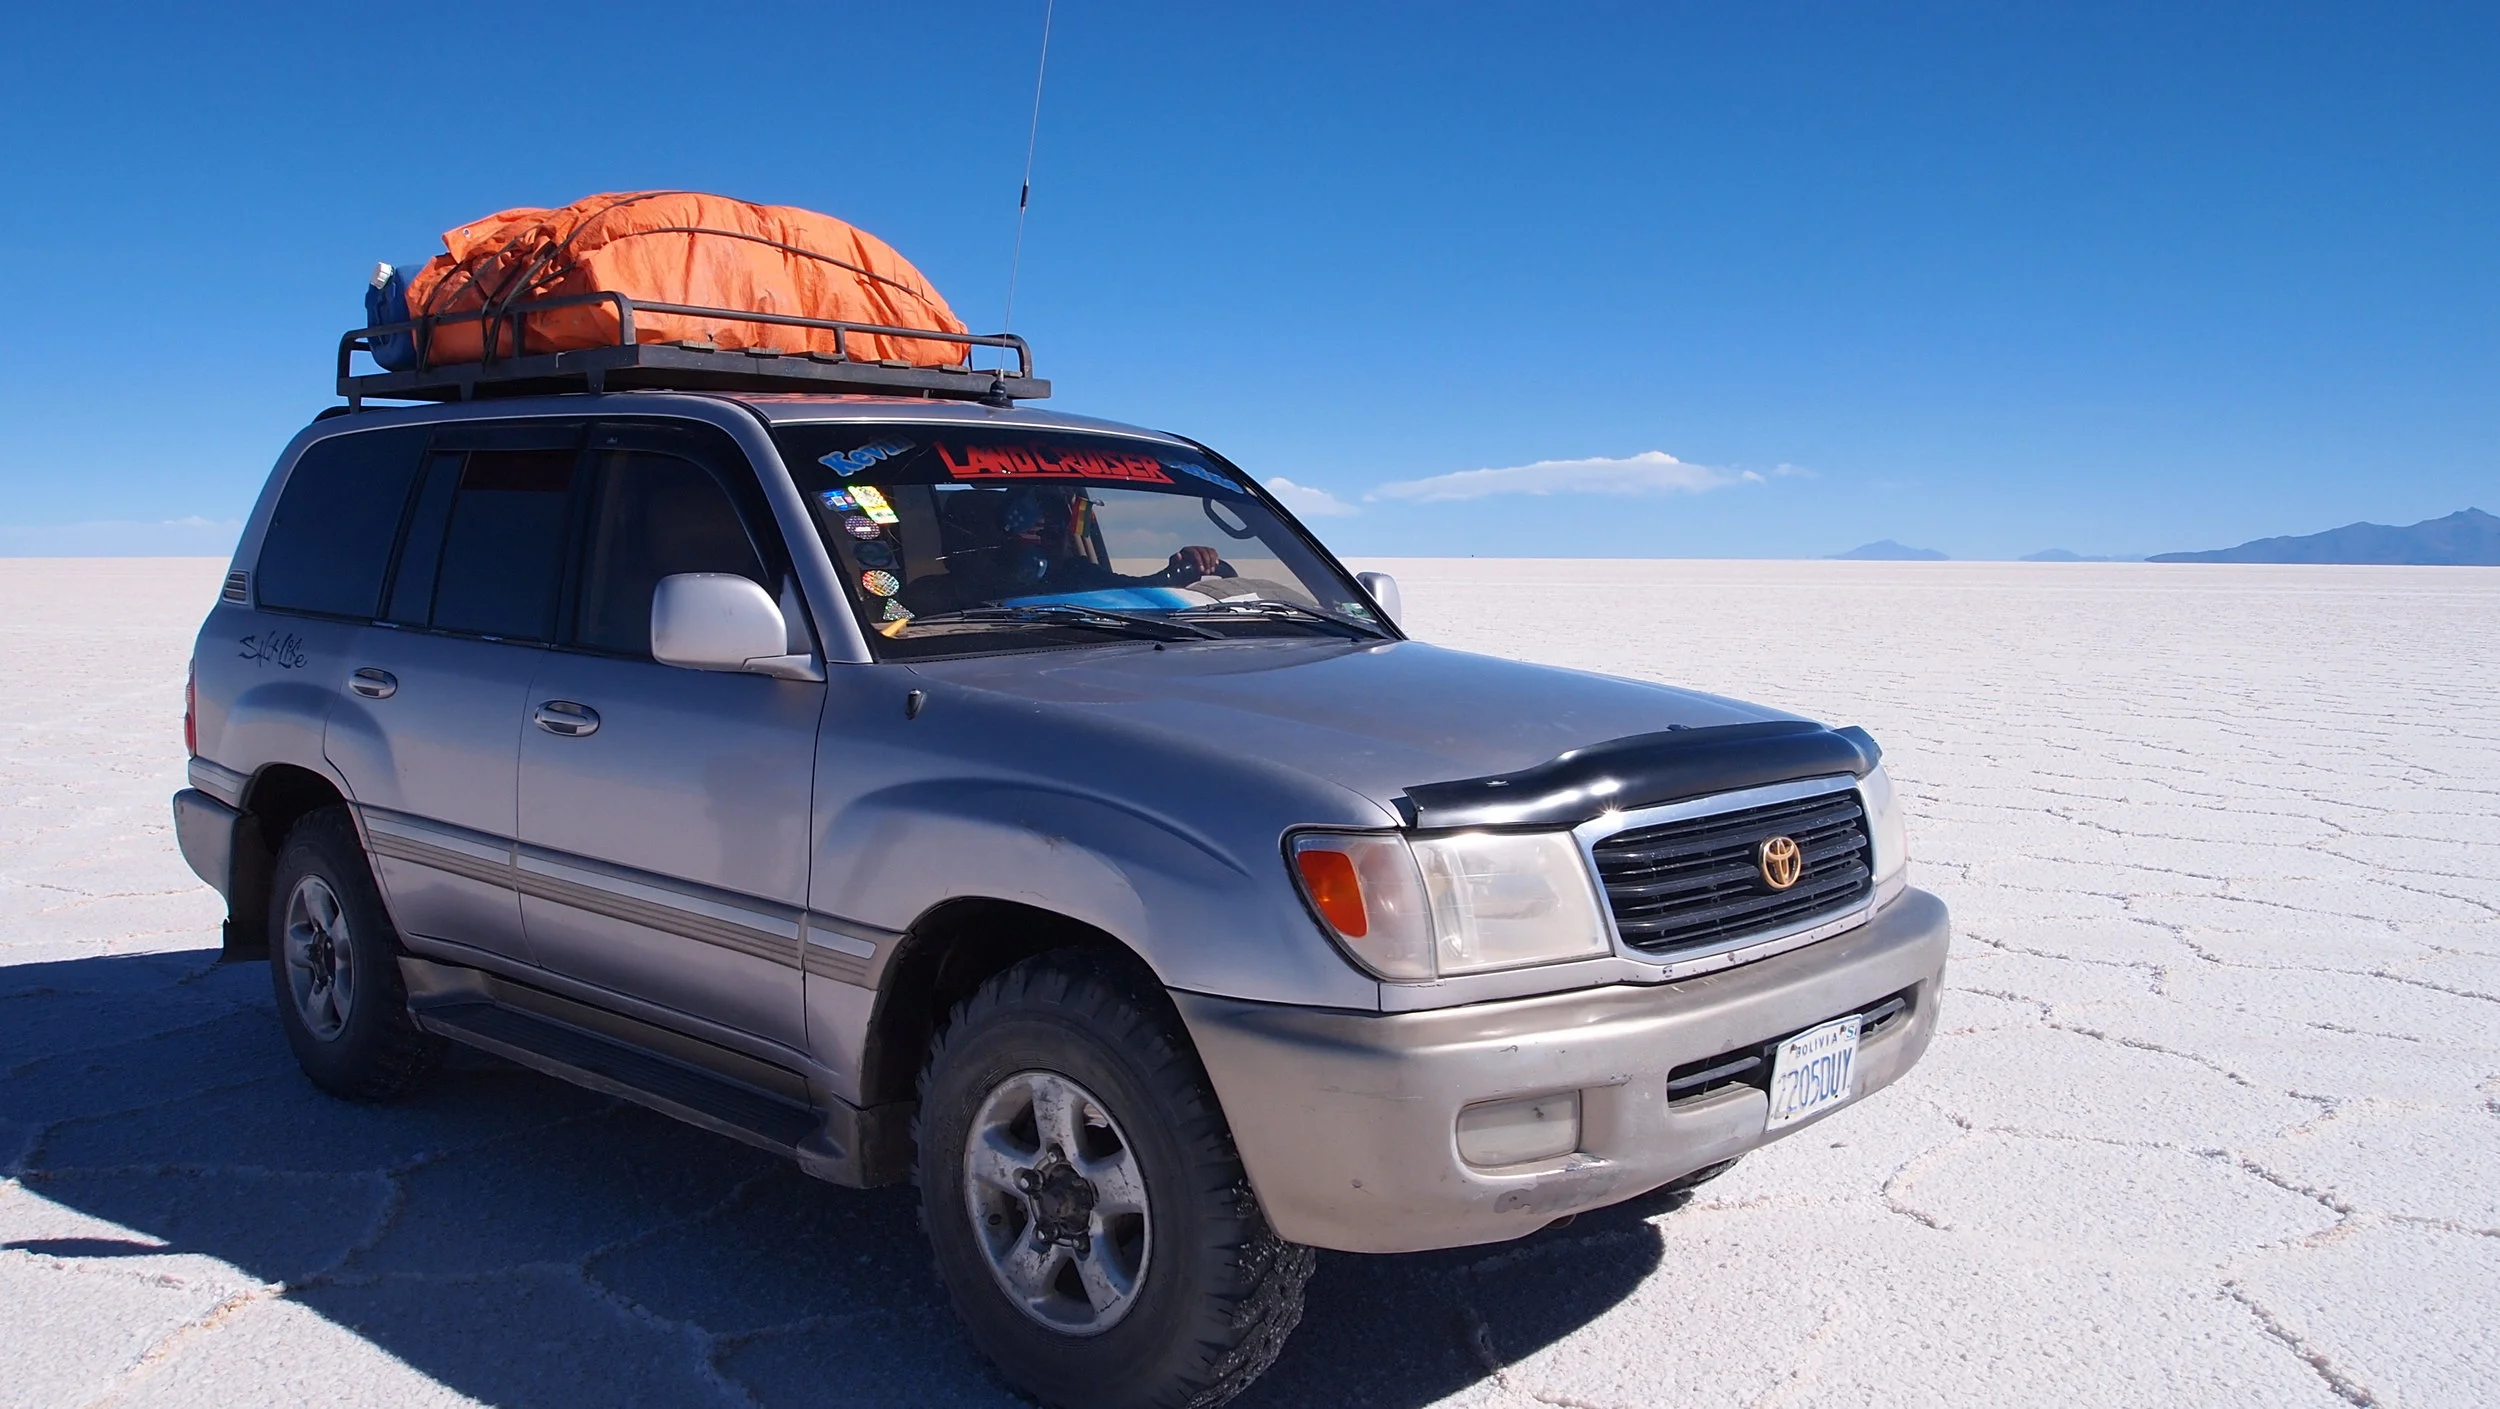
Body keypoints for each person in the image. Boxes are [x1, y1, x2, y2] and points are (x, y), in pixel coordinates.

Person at [909, 485, 1227, 611]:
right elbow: (893, 622)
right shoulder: (933, 594)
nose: (1051, 536)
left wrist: (1176, 572)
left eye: (1058, 526)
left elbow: (1135, 590)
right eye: (1034, 526)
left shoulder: (1078, 575)